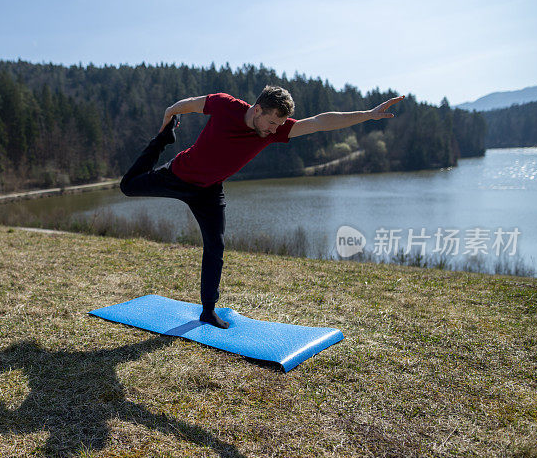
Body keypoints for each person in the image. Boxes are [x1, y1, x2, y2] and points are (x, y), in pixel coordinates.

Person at [120, 85, 403, 328]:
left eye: (280, 125)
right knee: (128, 186)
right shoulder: (224, 105)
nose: (275, 131)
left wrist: (368, 114)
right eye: (272, 123)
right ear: (257, 110)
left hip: (209, 190)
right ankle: (160, 142)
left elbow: (319, 121)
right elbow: (188, 105)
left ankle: (207, 311)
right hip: (178, 176)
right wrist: (169, 116)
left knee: (215, 246)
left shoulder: (275, 131)